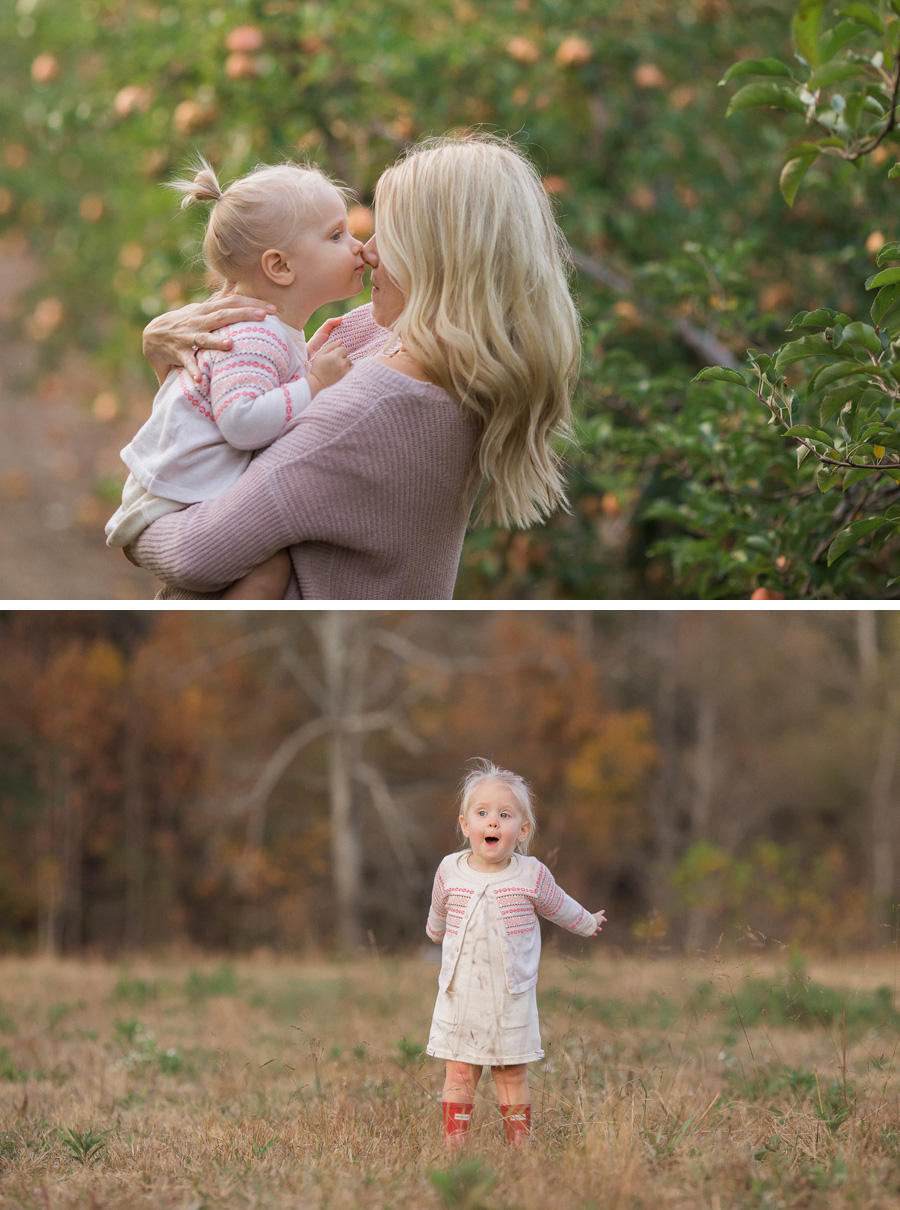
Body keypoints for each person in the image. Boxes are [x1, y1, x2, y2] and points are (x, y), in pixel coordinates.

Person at [129, 134, 582, 600]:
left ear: (437, 258)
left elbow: (194, 555)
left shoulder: (370, 409)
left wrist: (141, 523)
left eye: (391, 234)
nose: (367, 250)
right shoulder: (434, 346)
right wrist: (169, 353)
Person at [106, 157, 365, 599]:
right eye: (337, 235)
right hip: (169, 506)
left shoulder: (270, 331)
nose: (359, 246)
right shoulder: (253, 337)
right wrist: (314, 384)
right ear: (280, 267)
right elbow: (241, 420)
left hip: (178, 498)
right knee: (271, 569)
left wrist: (305, 366)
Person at [425, 759, 605, 1147]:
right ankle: (454, 1147)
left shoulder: (531, 874)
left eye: (504, 815)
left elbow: (559, 904)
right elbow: (439, 909)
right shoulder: (449, 870)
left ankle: (518, 1149)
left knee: (510, 1071)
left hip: (511, 995)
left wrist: (587, 922)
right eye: (483, 813)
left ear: (521, 830)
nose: (493, 822)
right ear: (465, 824)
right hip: (460, 994)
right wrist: (436, 933)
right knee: (459, 1071)